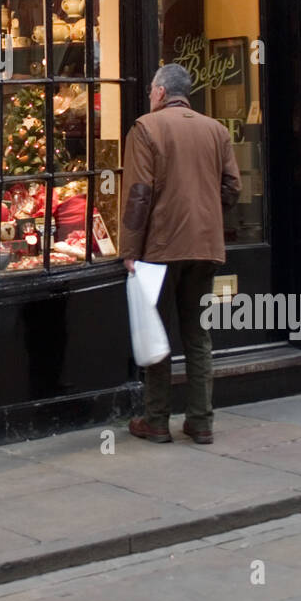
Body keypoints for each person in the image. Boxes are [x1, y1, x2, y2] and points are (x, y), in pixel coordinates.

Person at [120, 62, 241, 446]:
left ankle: (156, 420)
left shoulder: (146, 128)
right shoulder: (216, 130)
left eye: (150, 91)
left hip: (160, 246)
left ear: (159, 92)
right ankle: (201, 421)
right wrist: (206, 211)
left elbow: (138, 194)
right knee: (198, 334)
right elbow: (233, 189)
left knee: (156, 330)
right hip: (205, 245)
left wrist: (129, 250)